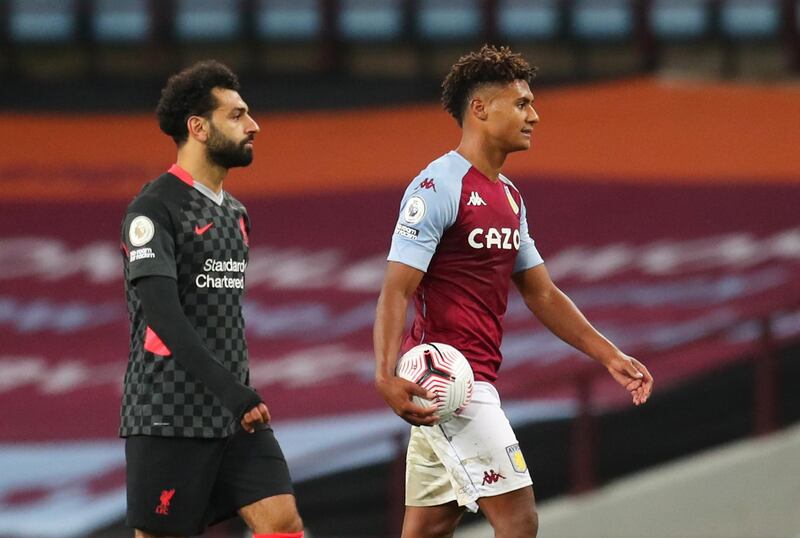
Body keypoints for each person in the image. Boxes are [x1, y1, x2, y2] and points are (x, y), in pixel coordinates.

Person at [373, 45, 654, 538]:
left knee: (428, 529)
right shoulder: (437, 187)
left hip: (462, 384)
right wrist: (383, 374)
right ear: (480, 109)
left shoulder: (509, 197)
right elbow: (396, 289)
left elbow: (542, 293)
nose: (535, 116)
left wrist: (610, 356)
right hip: (450, 384)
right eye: (522, 103)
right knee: (519, 520)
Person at [119, 60, 303, 538]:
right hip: (169, 412)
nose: (254, 125)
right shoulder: (153, 209)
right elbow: (163, 315)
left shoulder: (236, 214)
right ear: (198, 128)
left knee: (281, 520)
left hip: (234, 412)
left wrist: (234, 393)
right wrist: (232, 391)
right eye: (237, 115)